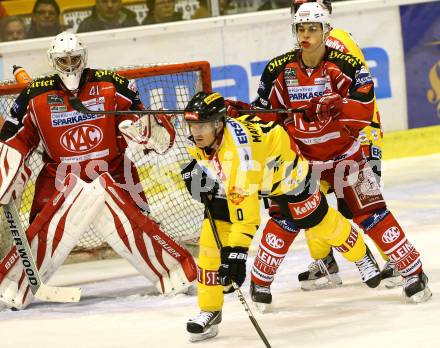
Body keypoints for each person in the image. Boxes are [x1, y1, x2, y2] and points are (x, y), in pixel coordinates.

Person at [245, 2, 431, 305]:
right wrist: (243, 113)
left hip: (347, 156)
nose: (306, 34)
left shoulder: (346, 64)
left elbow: (363, 110)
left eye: (312, 28)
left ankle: (413, 271)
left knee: (372, 213)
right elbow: (266, 116)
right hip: (301, 163)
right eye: (300, 28)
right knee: (286, 217)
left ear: (326, 30)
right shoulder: (279, 68)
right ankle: (260, 283)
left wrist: (336, 105)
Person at [0, 32, 196, 310]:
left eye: (74, 58)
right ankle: (14, 286)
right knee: (40, 233)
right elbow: (14, 138)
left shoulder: (111, 83)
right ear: (53, 61)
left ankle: (175, 274)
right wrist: (8, 172)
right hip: (60, 177)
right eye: (63, 60)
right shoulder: (35, 93)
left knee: (140, 224)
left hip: (114, 171)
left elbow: (146, 122)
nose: (69, 65)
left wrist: (147, 130)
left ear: (84, 57)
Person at [181, 91, 383, 342]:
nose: (196, 132)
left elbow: (247, 218)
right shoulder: (205, 137)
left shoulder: (240, 158)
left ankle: (361, 254)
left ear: (218, 124)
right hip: (240, 177)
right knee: (212, 242)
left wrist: (236, 256)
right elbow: (193, 154)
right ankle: (209, 309)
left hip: (284, 173)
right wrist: (191, 170)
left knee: (318, 221)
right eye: (192, 125)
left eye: (202, 126)